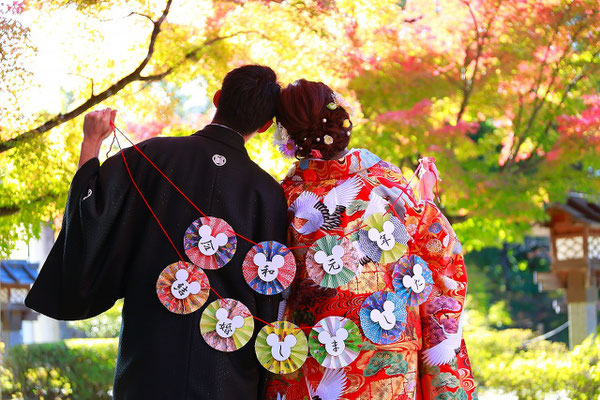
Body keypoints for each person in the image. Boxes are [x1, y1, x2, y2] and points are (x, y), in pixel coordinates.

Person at [25, 65, 288, 400]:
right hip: (228, 374)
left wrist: (91, 142)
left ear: (218, 98)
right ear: (265, 126)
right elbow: (272, 291)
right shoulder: (267, 193)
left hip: (150, 362)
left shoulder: (152, 156)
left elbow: (91, 213)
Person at [264, 80, 477, 399]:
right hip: (391, 353)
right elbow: (442, 255)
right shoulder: (390, 183)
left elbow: (269, 284)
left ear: (287, 134)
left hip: (318, 352)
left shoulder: (285, 199)